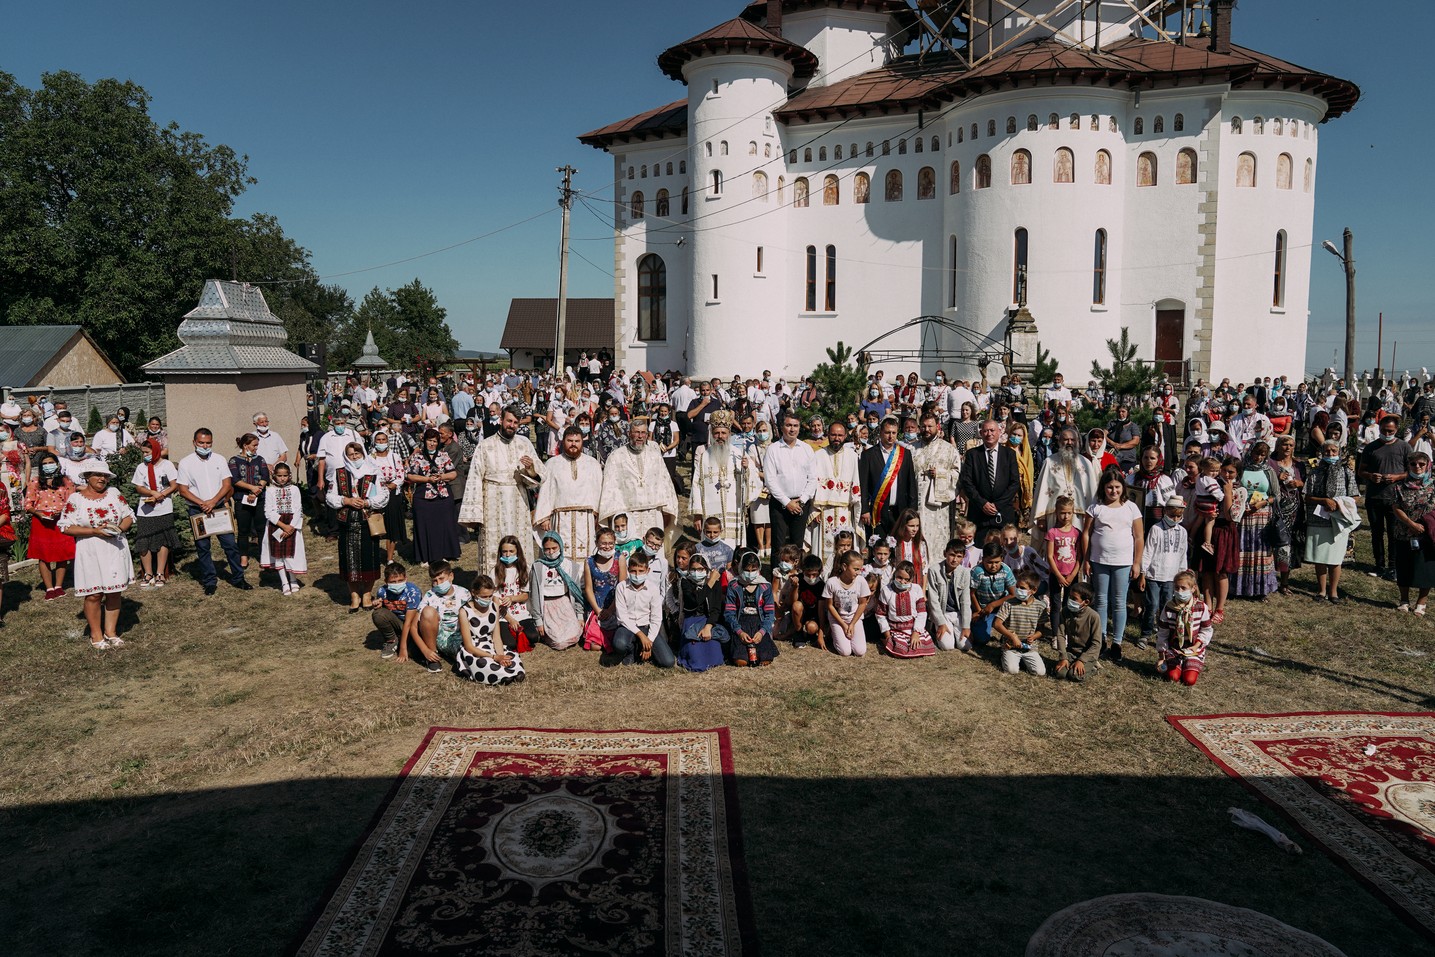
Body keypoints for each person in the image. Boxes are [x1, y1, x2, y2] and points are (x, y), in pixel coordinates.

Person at [58, 462, 134, 649]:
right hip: (90, 549)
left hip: (115, 548)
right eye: (97, 475)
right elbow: (65, 526)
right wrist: (94, 531)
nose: (102, 479)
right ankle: (96, 634)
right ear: (87, 477)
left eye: (105, 475)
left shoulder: (114, 493)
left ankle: (111, 632)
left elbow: (128, 515)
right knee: (94, 594)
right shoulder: (76, 499)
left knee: (114, 591)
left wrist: (119, 529)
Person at [176, 429, 250, 595]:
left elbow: (226, 484)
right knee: (203, 547)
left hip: (218, 508)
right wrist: (202, 503)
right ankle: (209, 581)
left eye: (208, 443)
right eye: (201, 443)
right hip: (198, 510)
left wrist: (213, 501)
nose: (205, 446)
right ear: (194, 442)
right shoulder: (186, 462)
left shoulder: (219, 459)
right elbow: (183, 490)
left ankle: (239, 578)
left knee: (230, 545)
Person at [1081, 469, 1144, 660]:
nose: (1113, 491)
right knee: (1100, 600)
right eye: (1109, 487)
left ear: (1123, 488)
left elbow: (1139, 536)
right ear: (1103, 488)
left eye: (1117, 487)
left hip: (1123, 562)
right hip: (1099, 561)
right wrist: (1086, 559)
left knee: (1119, 602)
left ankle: (1117, 642)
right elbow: (1086, 534)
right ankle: (1100, 639)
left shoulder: (1131, 508)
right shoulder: (1095, 507)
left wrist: (1137, 562)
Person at [328, 441, 389, 611]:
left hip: (367, 521)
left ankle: (367, 594)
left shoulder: (373, 471)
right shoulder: (339, 473)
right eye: (351, 455)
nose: (354, 458)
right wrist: (346, 500)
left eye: (357, 454)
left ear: (363, 454)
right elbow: (330, 496)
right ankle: (354, 596)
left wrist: (367, 502)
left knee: (369, 558)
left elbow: (384, 494)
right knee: (350, 560)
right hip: (346, 522)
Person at [598, 417, 679, 541]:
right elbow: (610, 488)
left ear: (647, 435)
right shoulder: (616, 457)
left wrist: (667, 511)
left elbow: (665, 484)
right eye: (636, 432)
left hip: (653, 513)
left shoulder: (654, 455)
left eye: (643, 433)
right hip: (628, 515)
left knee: (654, 549)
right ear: (629, 433)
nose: (640, 436)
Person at [533, 425, 603, 566]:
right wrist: (544, 517)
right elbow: (546, 491)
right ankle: (561, 585)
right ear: (563, 441)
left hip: (586, 518)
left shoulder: (592, 463)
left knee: (587, 554)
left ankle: (585, 584)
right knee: (560, 554)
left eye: (577, 441)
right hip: (560, 518)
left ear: (582, 442)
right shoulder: (552, 463)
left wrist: (599, 516)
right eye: (570, 440)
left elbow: (599, 490)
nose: (573, 444)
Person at [690, 411, 755, 552]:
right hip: (711, 510)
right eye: (717, 433)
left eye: (723, 433)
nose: (720, 437)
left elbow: (752, 481)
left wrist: (747, 470)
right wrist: (697, 514)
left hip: (734, 508)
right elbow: (696, 485)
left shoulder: (738, 454)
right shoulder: (704, 457)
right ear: (712, 434)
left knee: (734, 549)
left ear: (729, 434)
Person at [1357, 414, 1410, 582]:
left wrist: (1397, 477)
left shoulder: (1404, 447)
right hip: (1374, 496)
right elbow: (1361, 471)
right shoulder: (1371, 447)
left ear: (1396, 430)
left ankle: (1393, 567)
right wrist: (1371, 476)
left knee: (1394, 534)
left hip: (1395, 498)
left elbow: (1412, 471)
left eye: (1391, 431)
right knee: (1376, 533)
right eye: (1384, 430)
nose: (1387, 433)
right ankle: (1379, 565)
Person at [807, 421, 864, 568]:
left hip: (845, 510)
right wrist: (814, 510)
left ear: (845, 436)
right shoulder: (818, 455)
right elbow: (812, 484)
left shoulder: (852, 456)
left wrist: (856, 507)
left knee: (845, 550)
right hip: (823, 512)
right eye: (833, 435)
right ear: (827, 435)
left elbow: (856, 482)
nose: (836, 438)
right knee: (823, 551)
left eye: (840, 435)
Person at [1231, 441, 1282, 600]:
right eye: (1256, 453)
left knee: (1261, 551)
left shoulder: (1269, 471)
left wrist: (1263, 502)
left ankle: (1260, 589)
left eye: (1262, 455)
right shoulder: (1242, 469)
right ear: (1250, 452)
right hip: (1243, 515)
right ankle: (1239, 588)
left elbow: (1277, 495)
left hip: (1262, 516)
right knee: (1242, 550)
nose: (1258, 457)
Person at [455, 575, 526, 685]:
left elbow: (496, 636)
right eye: (484, 597)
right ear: (473, 593)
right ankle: (502, 675)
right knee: (484, 663)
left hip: (490, 644)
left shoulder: (494, 607)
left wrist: (501, 656)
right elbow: (468, 646)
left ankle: (506, 672)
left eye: (490, 596)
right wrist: (494, 657)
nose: (487, 600)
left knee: (512, 658)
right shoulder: (464, 611)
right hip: (475, 649)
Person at [1138, 493, 1188, 649]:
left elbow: (1182, 553)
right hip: (1154, 574)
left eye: (1178, 516)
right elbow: (1148, 552)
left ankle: (1163, 634)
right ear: (1165, 511)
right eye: (1172, 515)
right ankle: (1145, 634)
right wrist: (1143, 573)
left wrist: (1183, 575)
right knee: (1152, 605)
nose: (1174, 519)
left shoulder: (1182, 532)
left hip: (1171, 577)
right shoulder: (1156, 529)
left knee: (1167, 607)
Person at [130, 437, 180, 587]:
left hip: (163, 508)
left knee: (163, 540)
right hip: (145, 510)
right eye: (143, 452)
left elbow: (174, 484)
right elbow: (138, 487)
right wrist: (151, 492)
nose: (145, 455)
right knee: (143, 540)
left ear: (155, 450)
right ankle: (148, 573)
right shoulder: (141, 467)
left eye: (147, 452)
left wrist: (162, 494)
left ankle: (160, 573)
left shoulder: (167, 465)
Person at [406, 428, 460, 564]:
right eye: (429, 440)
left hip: (442, 495)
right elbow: (410, 475)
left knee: (444, 524)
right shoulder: (417, 457)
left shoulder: (444, 455)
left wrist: (442, 476)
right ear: (424, 441)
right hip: (423, 495)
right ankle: (425, 556)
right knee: (424, 525)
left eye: (434, 441)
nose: (432, 444)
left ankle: (445, 553)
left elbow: (453, 473)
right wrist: (427, 480)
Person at [859, 417, 918, 540]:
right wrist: (864, 509)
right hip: (877, 512)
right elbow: (863, 485)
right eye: (887, 433)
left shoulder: (905, 454)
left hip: (900, 511)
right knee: (878, 550)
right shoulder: (868, 455)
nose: (890, 436)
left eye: (893, 433)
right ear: (880, 432)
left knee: (899, 549)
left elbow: (911, 484)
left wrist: (912, 512)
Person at [1391, 450, 1435, 615]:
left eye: (1421, 464)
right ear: (1408, 465)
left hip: (1427, 533)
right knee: (1404, 566)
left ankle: (1421, 602)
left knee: (1426, 568)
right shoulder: (1400, 485)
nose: (1417, 467)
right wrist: (1410, 523)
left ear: (1427, 465)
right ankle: (1404, 600)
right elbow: (1396, 507)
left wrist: (1421, 525)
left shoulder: (1433, 485)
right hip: (1404, 531)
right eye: (1413, 464)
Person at [613, 551, 674, 667]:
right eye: (633, 571)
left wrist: (649, 641)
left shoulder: (653, 589)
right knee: (619, 644)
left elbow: (656, 618)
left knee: (668, 662)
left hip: (646, 627)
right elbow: (622, 617)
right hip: (627, 627)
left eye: (641, 571)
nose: (637, 575)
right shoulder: (621, 587)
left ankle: (642, 649)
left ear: (648, 571)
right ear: (628, 570)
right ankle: (630, 651)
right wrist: (641, 636)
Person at [1155, 570, 1214, 686]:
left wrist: (1196, 646)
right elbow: (1162, 633)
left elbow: (1206, 630)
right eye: (1177, 588)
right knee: (1173, 677)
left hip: (1193, 649)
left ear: (1193, 588)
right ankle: (1178, 665)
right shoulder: (1169, 607)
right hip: (1174, 649)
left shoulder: (1201, 607)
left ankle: (1189, 664)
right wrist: (1162, 656)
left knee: (1189, 680)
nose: (1179, 591)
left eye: (1183, 588)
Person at [914, 412, 960, 549]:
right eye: (923, 426)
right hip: (915, 500)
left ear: (938, 427)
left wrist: (940, 473)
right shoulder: (911, 448)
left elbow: (957, 473)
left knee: (937, 541)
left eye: (930, 426)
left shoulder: (949, 449)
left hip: (938, 507)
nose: (926, 429)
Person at [676, 553, 730, 671]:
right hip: (691, 620)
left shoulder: (715, 582)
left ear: (706, 569)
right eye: (694, 569)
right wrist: (709, 583)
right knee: (696, 660)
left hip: (708, 620)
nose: (696, 572)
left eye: (701, 569)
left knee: (715, 658)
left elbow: (716, 609)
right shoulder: (685, 582)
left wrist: (708, 627)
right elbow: (695, 601)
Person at [724, 551, 778, 667]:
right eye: (747, 570)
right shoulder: (734, 585)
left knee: (765, 659)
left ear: (758, 569)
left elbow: (769, 614)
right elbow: (729, 613)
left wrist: (762, 632)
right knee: (741, 661)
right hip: (740, 622)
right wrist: (739, 632)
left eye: (753, 570)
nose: (750, 573)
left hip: (759, 622)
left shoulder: (765, 586)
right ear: (740, 568)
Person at [415, 561, 470, 674]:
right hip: (438, 635)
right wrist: (425, 650)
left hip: (459, 635)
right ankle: (433, 655)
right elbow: (413, 625)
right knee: (428, 612)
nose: (438, 583)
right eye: (435, 581)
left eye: (441, 579)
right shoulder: (430, 596)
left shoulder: (464, 593)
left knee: (470, 656)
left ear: (451, 576)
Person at [532, 531, 584, 650]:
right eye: (547, 549)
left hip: (564, 604)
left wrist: (579, 615)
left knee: (575, 635)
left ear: (560, 546)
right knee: (559, 642)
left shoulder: (570, 566)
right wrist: (539, 621)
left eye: (554, 548)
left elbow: (576, 592)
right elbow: (535, 595)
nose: (551, 552)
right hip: (547, 606)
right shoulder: (538, 567)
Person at [260, 462, 306, 594]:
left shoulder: (295, 489)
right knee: (278, 554)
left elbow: (298, 509)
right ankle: (284, 581)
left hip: (292, 523)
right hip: (277, 524)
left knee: (290, 554)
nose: (282, 478)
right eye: (279, 475)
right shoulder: (270, 490)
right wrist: (283, 526)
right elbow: (268, 512)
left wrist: (291, 526)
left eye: (285, 475)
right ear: (274, 475)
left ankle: (293, 579)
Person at [1268, 435, 1306, 594]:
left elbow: (1305, 483)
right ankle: (1267, 580)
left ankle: (1284, 582)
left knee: (1287, 546)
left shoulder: (1299, 465)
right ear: (1277, 446)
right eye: (1284, 444)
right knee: (1270, 543)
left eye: (1291, 445)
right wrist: (1276, 477)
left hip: (1294, 510)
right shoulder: (1270, 463)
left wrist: (1298, 483)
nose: (1287, 448)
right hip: (1275, 508)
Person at [228, 433, 270, 575]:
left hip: (259, 498)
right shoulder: (234, 461)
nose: (256, 448)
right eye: (254, 445)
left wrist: (256, 490)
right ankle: (243, 557)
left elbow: (265, 476)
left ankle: (264, 557)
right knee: (243, 530)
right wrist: (250, 488)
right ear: (246, 446)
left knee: (261, 528)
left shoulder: (260, 459)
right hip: (242, 499)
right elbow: (235, 479)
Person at [992, 570, 1048, 675]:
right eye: (1017, 586)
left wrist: (1034, 636)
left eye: (1022, 588)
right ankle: (1007, 656)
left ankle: (1021, 660)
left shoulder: (1040, 606)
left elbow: (1041, 630)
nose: (1018, 590)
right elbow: (997, 624)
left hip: (1029, 648)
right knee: (1012, 670)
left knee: (1040, 672)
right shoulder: (1008, 603)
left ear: (1034, 590)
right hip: (1010, 646)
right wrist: (1012, 637)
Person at [875, 559, 935, 658]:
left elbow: (921, 613)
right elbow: (880, 614)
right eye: (899, 578)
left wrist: (916, 633)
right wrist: (887, 635)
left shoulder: (916, 589)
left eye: (907, 579)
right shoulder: (886, 590)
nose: (902, 582)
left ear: (911, 579)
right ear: (894, 574)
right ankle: (886, 640)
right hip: (895, 629)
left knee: (921, 645)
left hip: (912, 627)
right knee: (901, 649)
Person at [368, 428, 407, 563]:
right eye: (378, 440)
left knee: (392, 526)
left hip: (392, 493)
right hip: (376, 494)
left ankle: (389, 557)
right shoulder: (370, 458)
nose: (381, 442)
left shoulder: (394, 456)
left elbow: (401, 474)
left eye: (383, 440)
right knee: (376, 524)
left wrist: (394, 484)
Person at [1044, 496, 1082, 636]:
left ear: (1073, 513)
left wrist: (1072, 575)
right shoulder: (1052, 533)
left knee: (1069, 605)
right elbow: (1049, 556)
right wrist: (1058, 575)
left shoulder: (1076, 533)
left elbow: (1079, 557)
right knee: (1056, 605)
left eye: (1069, 513)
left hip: (1072, 575)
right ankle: (1055, 634)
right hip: (1056, 575)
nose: (1065, 516)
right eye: (1062, 513)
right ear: (1056, 513)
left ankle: (1065, 633)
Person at [823, 549, 871, 657]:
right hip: (838, 618)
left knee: (860, 651)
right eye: (855, 569)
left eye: (860, 569)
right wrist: (843, 625)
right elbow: (829, 605)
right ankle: (833, 633)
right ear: (844, 567)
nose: (858, 572)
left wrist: (853, 623)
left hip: (855, 618)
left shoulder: (861, 581)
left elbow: (862, 604)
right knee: (845, 652)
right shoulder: (832, 582)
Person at [927, 538, 972, 651]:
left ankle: (955, 630)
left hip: (957, 614)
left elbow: (965, 601)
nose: (954, 560)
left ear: (963, 557)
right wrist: (941, 623)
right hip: (943, 613)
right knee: (947, 646)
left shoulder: (965, 573)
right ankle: (935, 628)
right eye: (952, 555)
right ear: (945, 553)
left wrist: (966, 626)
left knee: (965, 646)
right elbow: (933, 600)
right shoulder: (934, 570)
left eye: (959, 556)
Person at [493, 535, 537, 654]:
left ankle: (519, 633)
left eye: (511, 551)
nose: (507, 555)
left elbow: (525, 595)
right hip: (504, 615)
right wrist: (510, 619)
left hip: (521, 612)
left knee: (534, 637)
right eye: (504, 551)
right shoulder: (496, 571)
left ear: (517, 551)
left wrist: (512, 598)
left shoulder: (523, 569)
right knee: (510, 644)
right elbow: (495, 599)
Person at [582, 526, 624, 650]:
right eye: (603, 543)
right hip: (597, 606)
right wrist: (598, 610)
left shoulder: (619, 559)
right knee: (595, 646)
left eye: (610, 543)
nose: (607, 546)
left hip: (616, 604)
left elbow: (622, 587)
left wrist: (611, 610)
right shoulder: (589, 561)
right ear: (596, 543)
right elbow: (588, 588)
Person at [970, 541, 1017, 647]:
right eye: (989, 562)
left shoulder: (1006, 570)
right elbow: (971, 593)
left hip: (1001, 608)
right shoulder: (977, 572)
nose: (993, 566)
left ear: (1002, 558)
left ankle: (1005, 632)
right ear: (983, 560)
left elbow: (1013, 594)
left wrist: (993, 605)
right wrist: (978, 611)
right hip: (982, 609)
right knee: (981, 640)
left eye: (996, 562)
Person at [372, 562, 422, 660]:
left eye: (400, 580)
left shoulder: (413, 592)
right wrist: (379, 605)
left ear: (406, 579)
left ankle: (403, 640)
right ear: (386, 581)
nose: (397, 584)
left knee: (414, 653)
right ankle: (392, 640)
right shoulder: (382, 591)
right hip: (397, 622)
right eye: (393, 582)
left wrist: (402, 649)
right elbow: (386, 610)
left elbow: (409, 622)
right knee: (378, 614)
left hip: (412, 624)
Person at [1053, 582, 1100, 682]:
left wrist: (1082, 660)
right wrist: (1063, 657)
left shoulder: (1094, 617)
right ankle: (1071, 663)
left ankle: (1093, 668)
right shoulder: (1065, 611)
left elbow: (1096, 644)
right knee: (1060, 673)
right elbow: (1060, 635)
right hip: (1071, 652)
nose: (1070, 600)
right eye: (1069, 597)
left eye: (1074, 599)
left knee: (1074, 676)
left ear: (1086, 602)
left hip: (1088, 655)